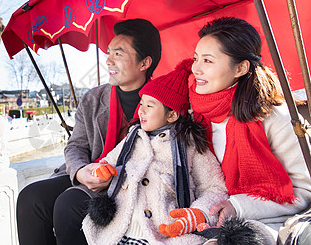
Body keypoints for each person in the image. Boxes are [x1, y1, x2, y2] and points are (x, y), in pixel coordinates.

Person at [16, 18, 162, 245]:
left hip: (130, 183)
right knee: (31, 197)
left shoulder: (163, 102)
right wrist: (82, 171)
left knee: (69, 204)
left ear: (144, 63)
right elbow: (76, 146)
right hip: (92, 173)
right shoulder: (93, 99)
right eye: (109, 52)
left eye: (119, 54)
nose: (109, 60)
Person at [189, 17, 311, 242]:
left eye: (207, 60)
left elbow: (304, 190)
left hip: (268, 226)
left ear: (241, 68)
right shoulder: (195, 114)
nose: (196, 68)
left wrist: (239, 206)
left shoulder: (274, 117)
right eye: (196, 58)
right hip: (208, 220)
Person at [83, 58, 228, 245]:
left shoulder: (189, 145)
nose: (141, 111)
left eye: (149, 106)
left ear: (172, 115)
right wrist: (101, 171)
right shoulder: (132, 138)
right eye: (141, 104)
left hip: (165, 233)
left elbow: (214, 188)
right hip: (119, 229)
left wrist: (198, 213)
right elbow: (108, 161)